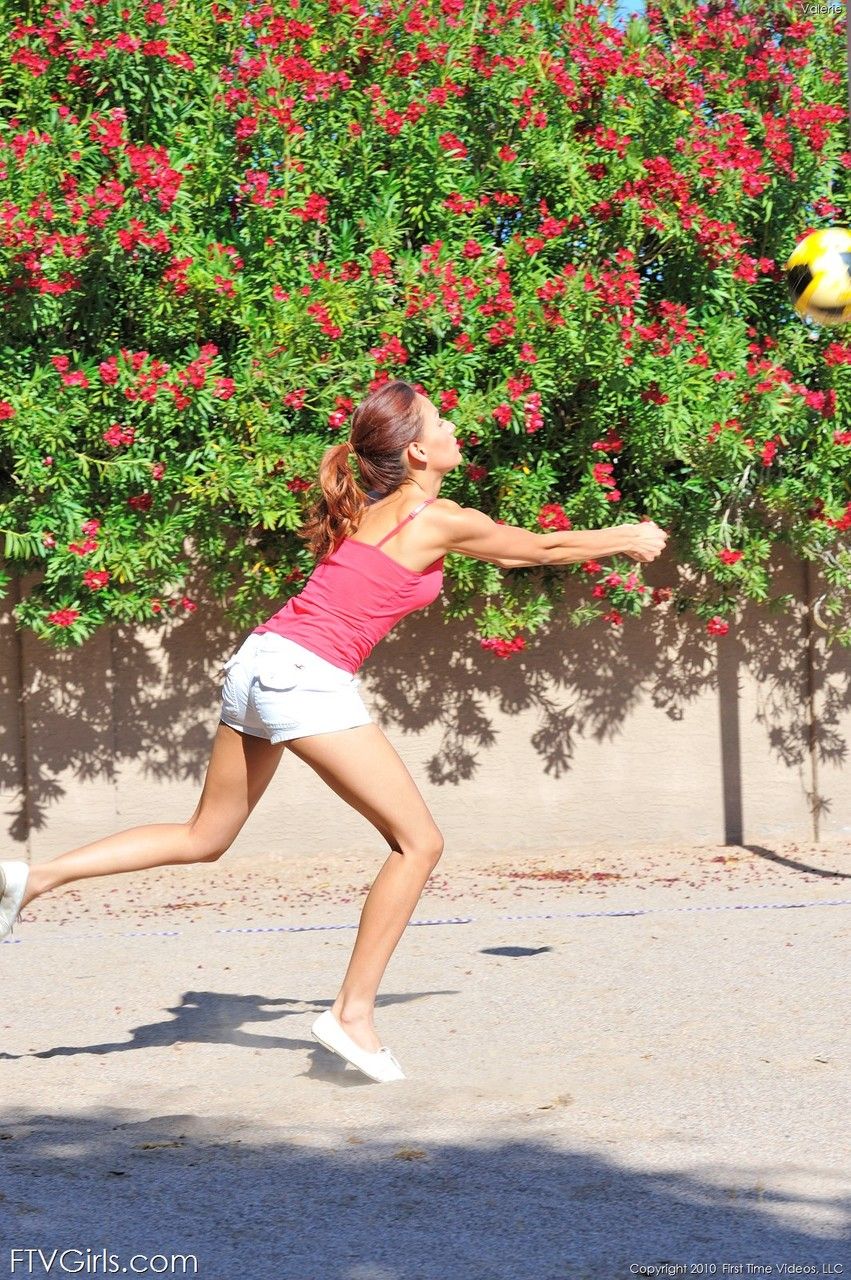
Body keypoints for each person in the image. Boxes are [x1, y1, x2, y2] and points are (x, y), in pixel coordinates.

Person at [0, 380, 668, 1082]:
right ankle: (350, 1015)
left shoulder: (375, 510)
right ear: (417, 451)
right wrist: (627, 538)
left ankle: (33, 877)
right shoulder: (431, 515)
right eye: (440, 423)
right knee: (419, 843)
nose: (452, 430)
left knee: (205, 836)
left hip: (259, 661)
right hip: (303, 677)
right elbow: (538, 548)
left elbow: (506, 553)